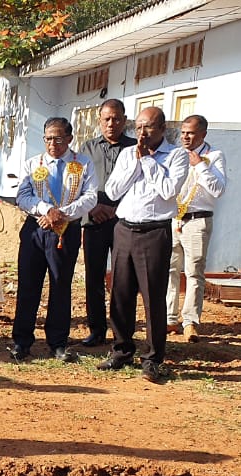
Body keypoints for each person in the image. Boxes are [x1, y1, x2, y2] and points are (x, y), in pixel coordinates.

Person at [99, 107, 189, 383]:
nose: (142, 133)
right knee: (120, 294)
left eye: (148, 127)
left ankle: (152, 358)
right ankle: (122, 350)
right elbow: (113, 191)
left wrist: (148, 162)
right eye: (138, 127)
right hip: (124, 229)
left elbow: (168, 191)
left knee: (153, 297)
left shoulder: (176, 156)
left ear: (162, 128)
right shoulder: (128, 154)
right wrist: (134, 163)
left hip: (154, 232)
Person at [10, 118, 98, 362]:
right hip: (36, 229)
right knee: (28, 285)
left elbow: (90, 197)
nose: (53, 143)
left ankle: (57, 343)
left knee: (60, 285)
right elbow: (22, 197)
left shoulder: (83, 164)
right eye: (48, 138)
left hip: (66, 230)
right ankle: (21, 341)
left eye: (58, 138)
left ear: (69, 139)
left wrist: (61, 215)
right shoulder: (33, 164)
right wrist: (46, 209)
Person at [78, 99, 137, 347]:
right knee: (94, 277)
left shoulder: (136, 148)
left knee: (124, 279)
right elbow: (78, 184)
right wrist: (92, 210)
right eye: (106, 119)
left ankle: (121, 332)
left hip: (124, 222)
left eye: (116, 119)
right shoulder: (86, 149)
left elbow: (138, 185)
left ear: (124, 120)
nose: (111, 123)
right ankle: (97, 330)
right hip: (94, 221)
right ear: (99, 121)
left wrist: (115, 210)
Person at [167, 115, 226, 343]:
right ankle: (169, 317)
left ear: (203, 134)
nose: (185, 137)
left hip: (197, 220)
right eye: (183, 132)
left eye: (190, 133)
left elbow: (218, 190)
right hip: (174, 219)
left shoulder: (213, 157)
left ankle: (190, 321)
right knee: (169, 271)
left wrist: (200, 165)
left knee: (193, 272)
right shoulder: (174, 154)